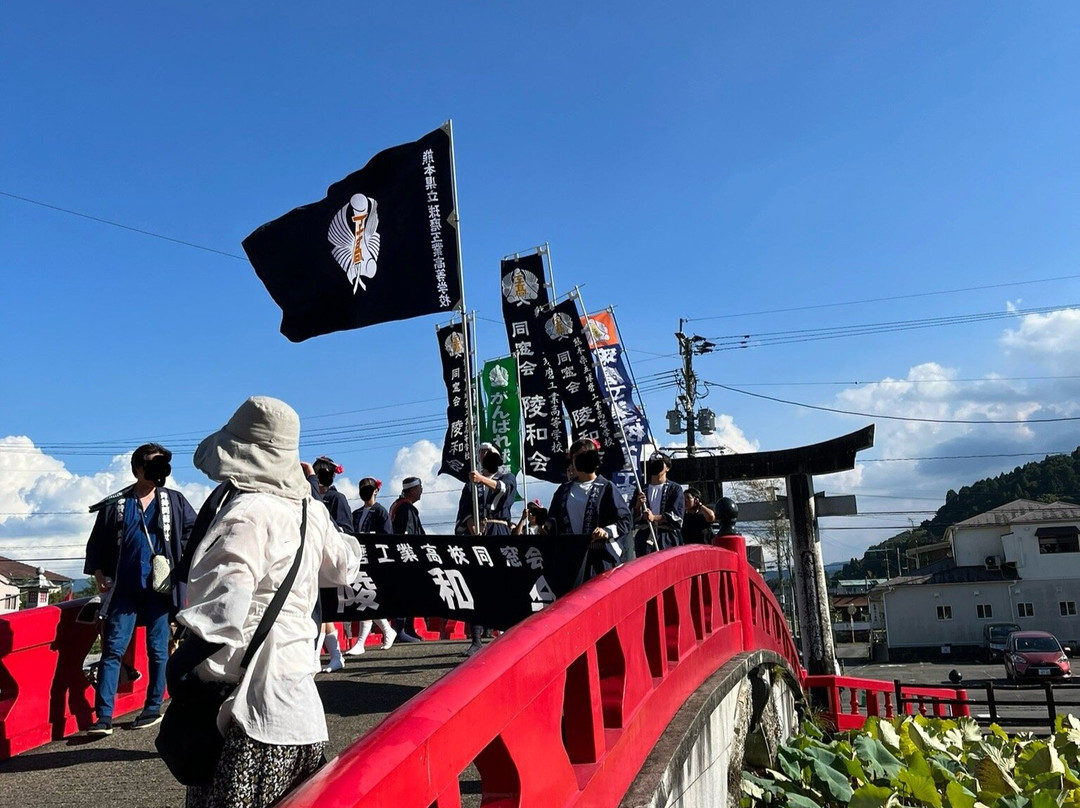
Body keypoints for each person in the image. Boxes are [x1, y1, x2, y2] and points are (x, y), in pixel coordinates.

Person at [176, 396, 363, 808]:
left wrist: (179, 668)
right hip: (301, 704)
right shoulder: (311, 512)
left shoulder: (246, 513)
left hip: (247, 711)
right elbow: (344, 567)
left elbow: (219, 614)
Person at [83, 443, 197, 736]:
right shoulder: (117, 503)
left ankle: (152, 708)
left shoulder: (174, 501)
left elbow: (193, 535)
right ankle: (103, 717)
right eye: (155, 466)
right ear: (138, 469)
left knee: (158, 649)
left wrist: (182, 570)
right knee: (112, 650)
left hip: (159, 589)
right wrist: (98, 574)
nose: (162, 472)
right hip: (124, 587)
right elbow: (97, 543)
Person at [455, 442, 518, 654]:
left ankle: (507, 632)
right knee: (477, 585)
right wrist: (472, 527)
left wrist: (481, 480)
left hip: (499, 531)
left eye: (488, 453)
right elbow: (465, 510)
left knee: (503, 583)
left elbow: (505, 492)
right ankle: (475, 639)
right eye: (481, 453)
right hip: (479, 534)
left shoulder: (506, 478)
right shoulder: (470, 484)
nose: (484, 456)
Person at [546, 438, 632, 580]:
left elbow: (625, 519)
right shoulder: (563, 490)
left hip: (600, 559)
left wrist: (606, 531)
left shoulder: (607, 487)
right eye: (577, 457)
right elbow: (554, 518)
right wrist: (548, 524)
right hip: (572, 559)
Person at [307, 456, 355, 673]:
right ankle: (332, 655)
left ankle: (322, 657)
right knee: (321, 612)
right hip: (313, 560)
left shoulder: (337, 498)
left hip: (327, 561)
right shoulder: (310, 495)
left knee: (322, 611)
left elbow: (345, 529)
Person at [346, 477, 396, 655]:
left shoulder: (380, 511)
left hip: (374, 560)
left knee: (366, 596)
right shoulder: (356, 513)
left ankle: (362, 642)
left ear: (376, 491)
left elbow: (387, 536)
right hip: (359, 559)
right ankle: (387, 631)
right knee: (364, 597)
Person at [388, 477, 425, 642]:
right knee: (408, 592)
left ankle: (406, 629)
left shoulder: (397, 505)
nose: (422, 490)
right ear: (412, 490)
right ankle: (404, 629)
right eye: (419, 487)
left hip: (397, 556)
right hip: (406, 556)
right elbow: (409, 535)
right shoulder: (406, 509)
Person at [632, 452, 684, 557]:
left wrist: (654, 517)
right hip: (645, 537)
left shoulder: (675, 489)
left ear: (667, 468)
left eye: (659, 463)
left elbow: (677, 517)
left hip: (667, 537)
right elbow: (631, 517)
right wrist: (637, 506)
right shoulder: (641, 489)